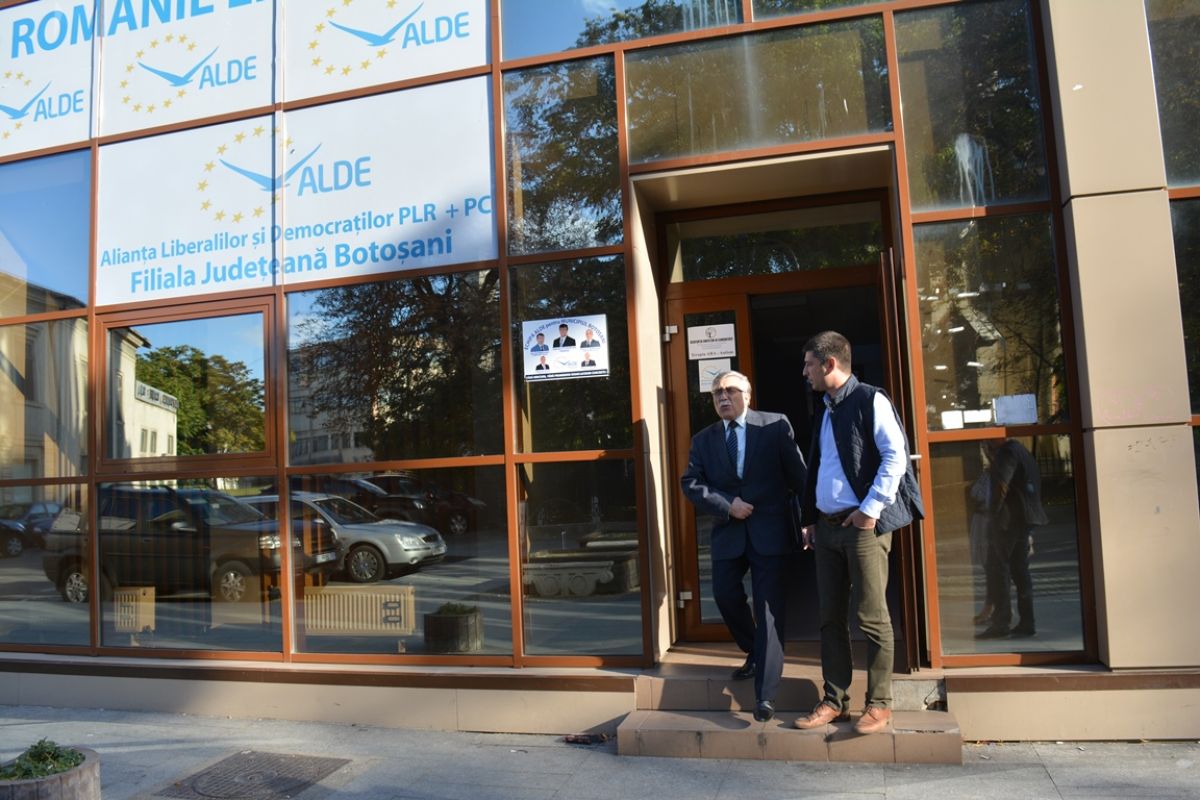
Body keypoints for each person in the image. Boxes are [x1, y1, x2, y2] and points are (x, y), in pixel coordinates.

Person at [794, 331, 923, 736]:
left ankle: (880, 704)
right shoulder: (826, 408)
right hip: (827, 527)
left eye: (809, 364)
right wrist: (810, 518)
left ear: (829, 364)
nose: (805, 372)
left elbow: (895, 457)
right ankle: (835, 701)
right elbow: (820, 466)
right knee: (830, 618)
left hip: (862, 527)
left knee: (871, 616)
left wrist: (870, 509)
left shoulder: (870, 399)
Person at [681, 370, 807, 723]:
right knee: (724, 595)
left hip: (770, 531)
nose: (723, 397)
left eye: (731, 391)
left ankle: (765, 695)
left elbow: (799, 476)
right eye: (717, 393)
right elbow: (691, 483)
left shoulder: (774, 426)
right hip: (729, 533)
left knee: (768, 611)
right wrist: (727, 505)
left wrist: (809, 521)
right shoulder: (703, 439)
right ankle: (755, 650)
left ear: (747, 395)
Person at [976, 438, 1047, 640]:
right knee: (1020, 570)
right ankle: (1027, 622)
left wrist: (993, 513)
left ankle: (1001, 623)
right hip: (1023, 519)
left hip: (1008, 520)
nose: (986, 448)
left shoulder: (1007, 453)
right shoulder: (1021, 451)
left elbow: (1001, 486)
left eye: (987, 444)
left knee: (999, 569)